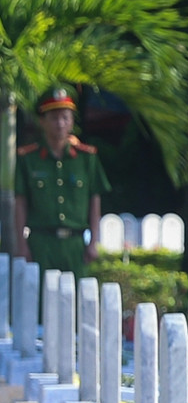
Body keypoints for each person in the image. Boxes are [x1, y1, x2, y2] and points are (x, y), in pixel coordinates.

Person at [14, 87, 108, 274]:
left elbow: (94, 200)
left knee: (75, 298)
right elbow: (20, 202)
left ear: (72, 121)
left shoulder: (86, 158)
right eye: (54, 118)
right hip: (41, 243)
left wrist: (94, 242)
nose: (60, 123)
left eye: (65, 117)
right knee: (40, 298)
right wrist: (21, 244)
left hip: (75, 244)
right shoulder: (28, 158)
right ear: (42, 121)